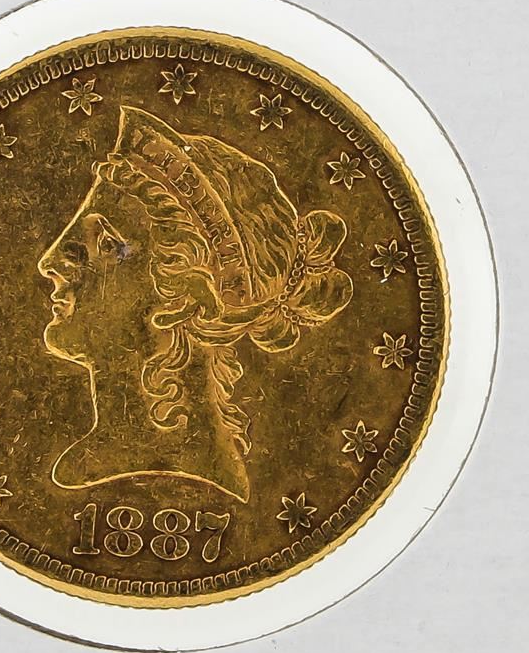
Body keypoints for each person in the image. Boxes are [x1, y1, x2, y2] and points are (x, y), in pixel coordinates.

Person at [37, 105, 353, 503]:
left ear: (185, 297)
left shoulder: (193, 480)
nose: (48, 262)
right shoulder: (90, 465)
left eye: (108, 245)